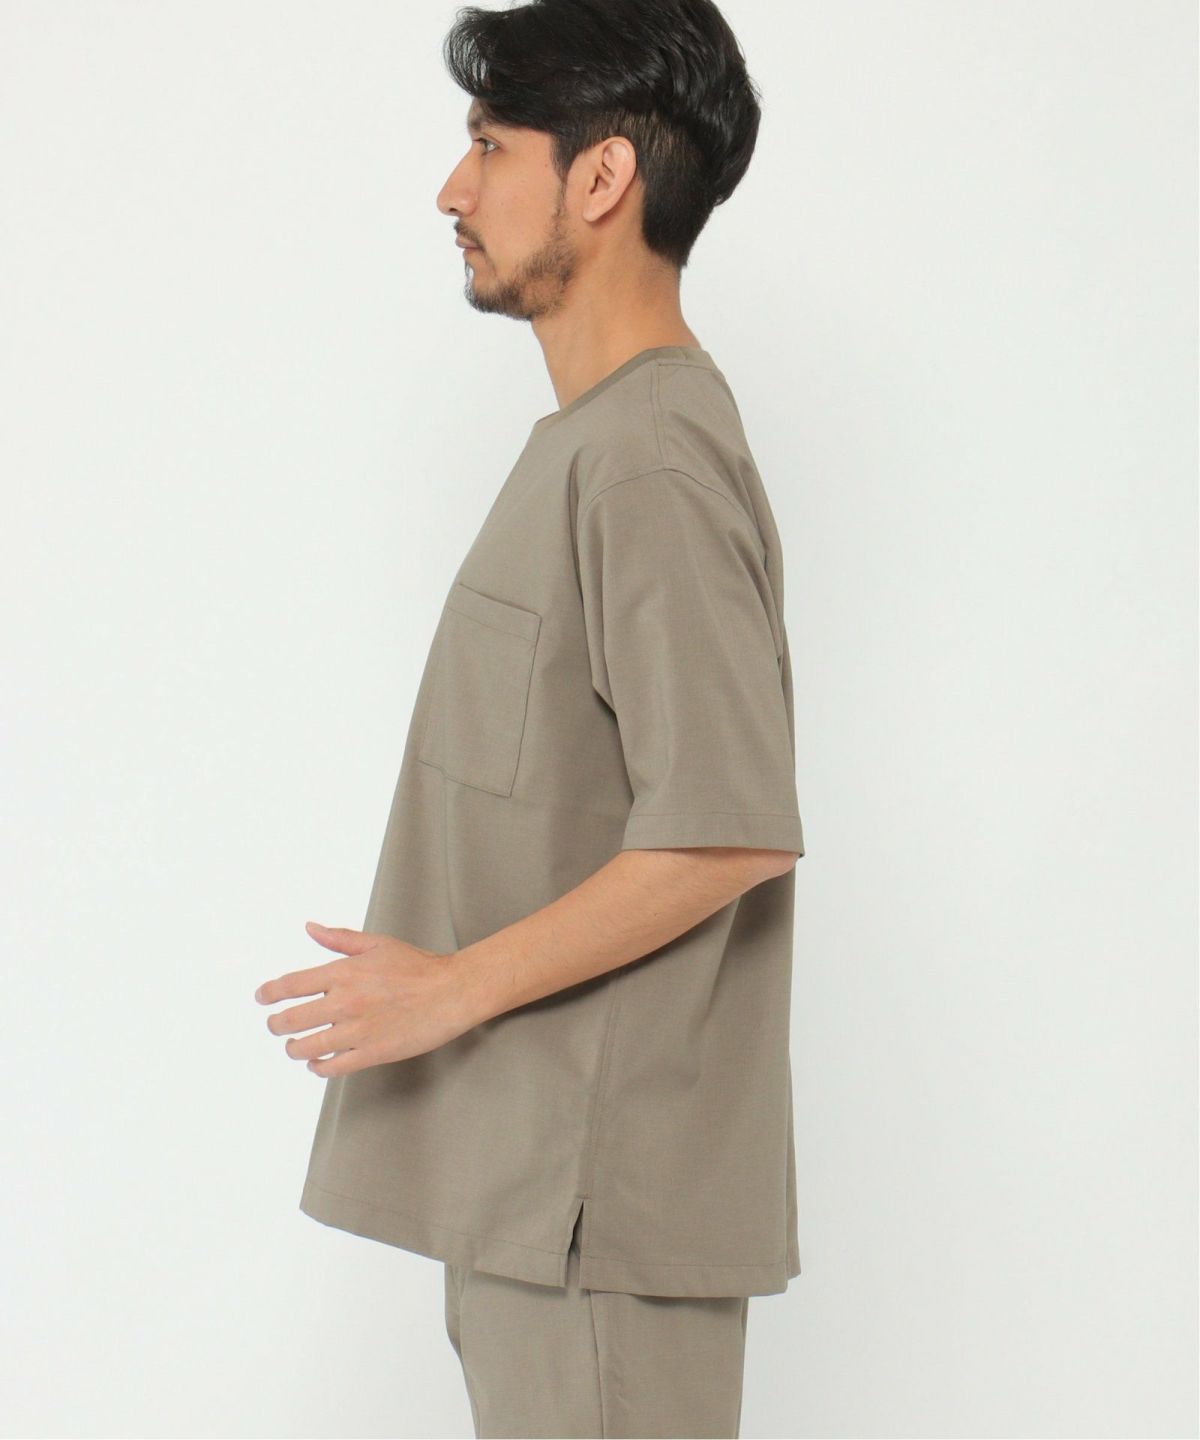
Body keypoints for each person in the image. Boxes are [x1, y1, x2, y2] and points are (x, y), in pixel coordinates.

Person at [254, 0, 806, 1434]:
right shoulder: (597, 445)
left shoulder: (647, 462)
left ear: (603, 176)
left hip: (593, 1212)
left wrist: (448, 989)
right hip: (541, 1201)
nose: (454, 189)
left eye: (492, 146)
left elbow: (729, 831)